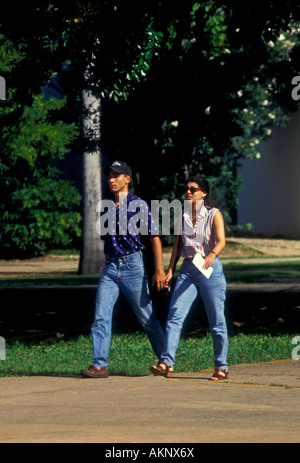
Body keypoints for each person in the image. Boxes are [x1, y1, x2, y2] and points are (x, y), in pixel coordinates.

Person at [81, 161, 166, 378]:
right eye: (109, 175)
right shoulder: (106, 207)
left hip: (133, 267)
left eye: (116, 176)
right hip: (110, 268)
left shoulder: (139, 205)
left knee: (146, 318)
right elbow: (107, 241)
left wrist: (159, 270)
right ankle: (99, 365)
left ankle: (166, 359)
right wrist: (108, 262)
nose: (111, 179)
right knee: (101, 316)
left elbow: (154, 238)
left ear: (127, 179)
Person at [150, 176, 228, 381]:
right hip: (187, 268)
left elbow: (221, 241)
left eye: (193, 189)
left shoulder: (213, 214)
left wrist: (212, 255)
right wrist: (169, 271)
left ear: (203, 193)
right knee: (175, 315)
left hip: (208, 267)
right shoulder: (182, 215)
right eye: (186, 189)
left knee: (216, 320)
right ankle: (166, 362)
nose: (188, 192)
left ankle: (222, 366)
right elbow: (178, 246)